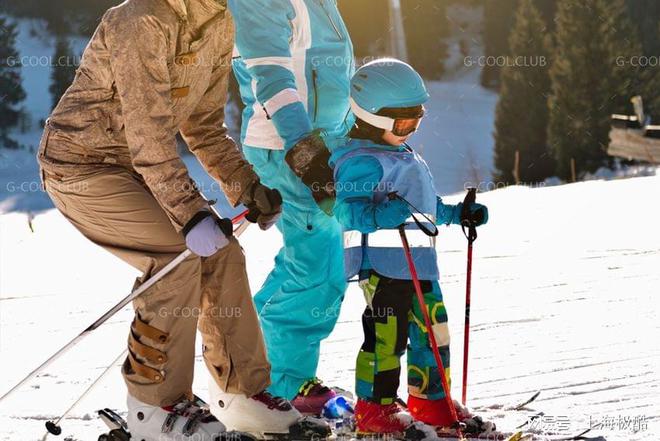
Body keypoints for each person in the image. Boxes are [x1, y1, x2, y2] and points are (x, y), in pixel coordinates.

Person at [37, 0, 314, 439]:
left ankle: (241, 394)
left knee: (223, 254)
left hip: (143, 167)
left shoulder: (220, 21)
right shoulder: (139, 20)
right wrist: (190, 215)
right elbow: (148, 133)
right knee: (177, 255)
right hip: (83, 166)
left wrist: (246, 186)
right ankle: (154, 406)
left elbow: (203, 127)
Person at [331, 59, 493, 436]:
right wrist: (383, 214)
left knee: (434, 334)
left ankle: (431, 401)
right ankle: (375, 409)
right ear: (370, 117)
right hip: (384, 270)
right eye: (403, 124)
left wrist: (457, 214)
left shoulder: (401, 155)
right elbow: (346, 211)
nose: (410, 131)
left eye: (416, 122)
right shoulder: (361, 161)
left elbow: (424, 206)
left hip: (419, 265)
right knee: (388, 338)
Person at [226, 0, 354, 414]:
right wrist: (304, 150)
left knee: (308, 264)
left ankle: (249, 361)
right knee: (317, 272)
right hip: (287, 146)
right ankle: (283, 384)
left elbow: (331, 74)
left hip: (321, 143)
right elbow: (272, 78)